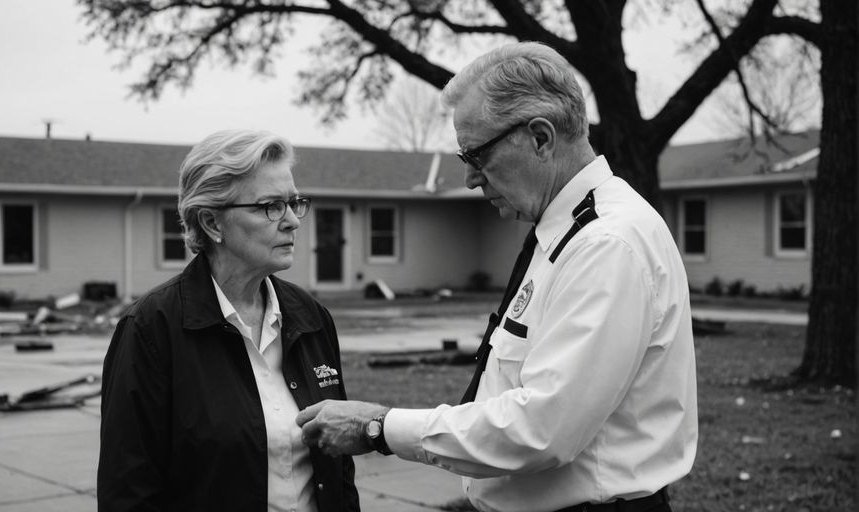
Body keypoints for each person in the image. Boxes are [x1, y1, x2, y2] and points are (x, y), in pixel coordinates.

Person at [296, 42, 697, 512]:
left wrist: (378, 427)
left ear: (541, 139)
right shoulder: (564, 233)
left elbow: (542, 430)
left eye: (477, 155)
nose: (470, 178)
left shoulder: (605, 244)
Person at [98, 129, 359, 511]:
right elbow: (129, 491)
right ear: (212, 223)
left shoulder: (311, 317)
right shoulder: (151, 329)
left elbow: (339, 471)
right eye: (270, 205)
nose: (291, 221)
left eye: (293, 202)